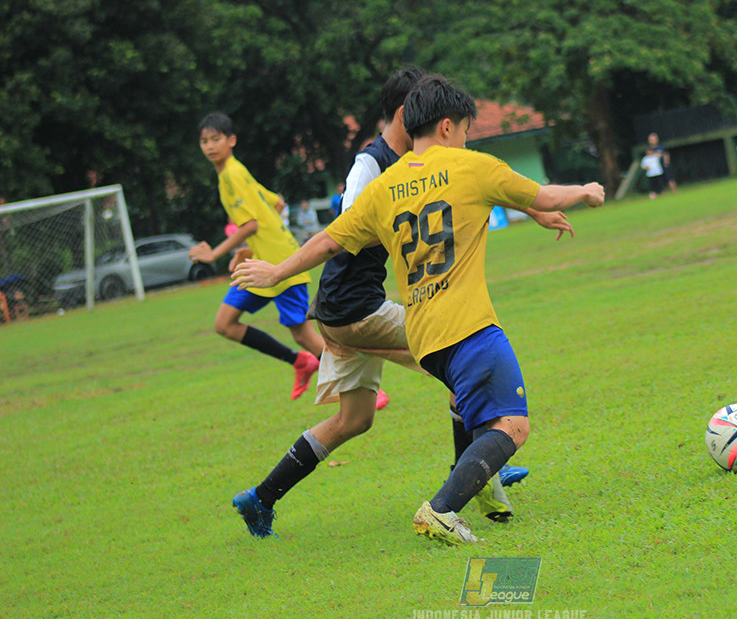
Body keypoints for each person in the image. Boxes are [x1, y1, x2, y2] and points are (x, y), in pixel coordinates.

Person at [233, 74, 604, 545]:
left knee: (356, 418)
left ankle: (263, 496)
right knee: (503, 415)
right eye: (465, 129)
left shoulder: (389, 183)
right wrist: (586, 190)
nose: (466, 138)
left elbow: (331, 238)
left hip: (393, 319)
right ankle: (458, 493)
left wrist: (277, 272)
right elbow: (538, 192)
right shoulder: (435, 166)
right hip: (390, 313)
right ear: (445, 125)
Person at [191, 112, 325, 400]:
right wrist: (252, 247)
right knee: (224, 324)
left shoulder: (232, 175)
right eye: (204, 141)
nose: (210, 146)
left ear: (231, 140)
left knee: (303, 334)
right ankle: (300, 362)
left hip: (281, 263)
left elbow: (250, 224)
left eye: (216, 139)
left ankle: (369, 388)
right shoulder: (234, 173)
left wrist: (214, 253)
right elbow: (276, 204)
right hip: (259, 264)